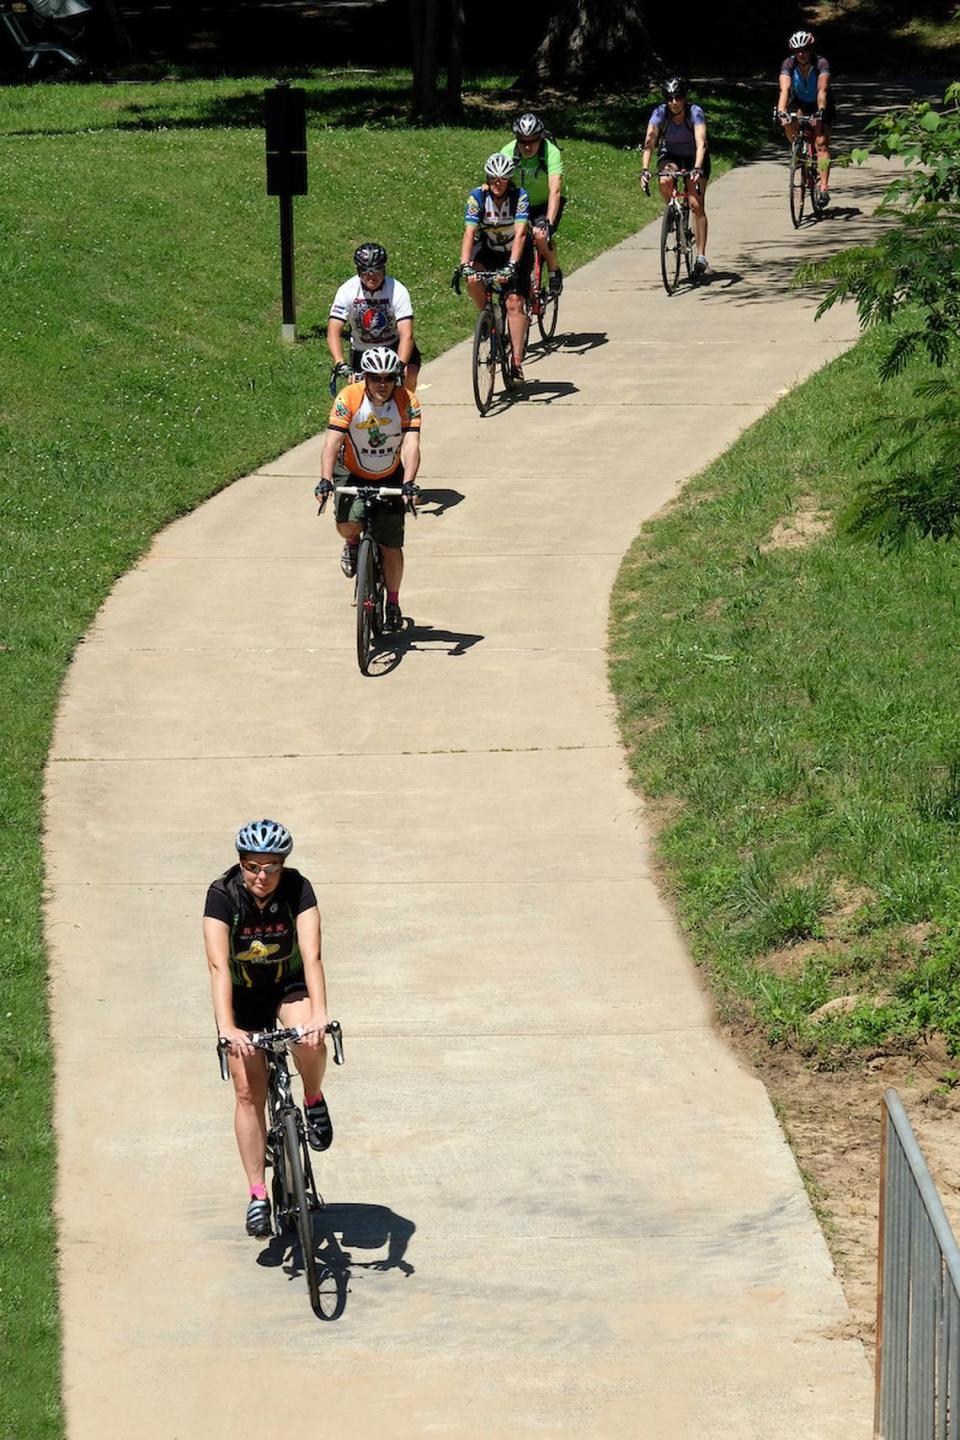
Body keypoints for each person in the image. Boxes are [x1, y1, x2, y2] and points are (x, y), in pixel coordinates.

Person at [204, 819, 332, 1239]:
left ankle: (312, 1098)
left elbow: (312, 954)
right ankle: (258, 1194)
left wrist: (320, 1015)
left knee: (308, 1040)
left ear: (283, 866)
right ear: (240, 865)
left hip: (287, 985)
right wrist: (227, 1027)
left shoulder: (299, 890)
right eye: (253, 867)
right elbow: (219, 965)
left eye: (272, 867)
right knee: (247, 1091)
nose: (262, 877)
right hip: (243, 998)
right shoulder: (222, 896)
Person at [315, 345, 421, 633]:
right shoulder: (348, 397)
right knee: (347, 522)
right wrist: (325, 479)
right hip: (352, 470)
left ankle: (394, 603)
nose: (383, 384)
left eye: (389, 378)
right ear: (366, 377)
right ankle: (352, 545)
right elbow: (332, 443)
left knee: (391, 546)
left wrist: (409, 482)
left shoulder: (406, 400)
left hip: (389, 473)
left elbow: (411, 445)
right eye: (376, 378)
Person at [457, 152, 532, 381]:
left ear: (509, 179)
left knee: (514, 303)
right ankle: (489, 316)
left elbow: (520, 234)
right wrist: (464, 264)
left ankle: (517, 362)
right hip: (489, 249)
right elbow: (469, 232)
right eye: (492, 178)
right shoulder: (477, 197)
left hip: (515, 251)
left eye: (501, 179)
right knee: (473, 277)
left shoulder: (520, 196)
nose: (496, 183)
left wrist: (511, 266)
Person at [327, 242, 421, 393]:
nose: (372, 276)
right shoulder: (347, 291)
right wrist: (340, 363)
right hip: (362, 350)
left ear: (384, 269)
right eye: (366, 271)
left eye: (377, 270)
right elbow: (333, 332)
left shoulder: (397, 290)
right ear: (358, 271)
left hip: (393, 346)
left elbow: (407, 335)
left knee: (408, 374)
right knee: (356, 393)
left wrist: (401, 365)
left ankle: (406, 411)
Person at [640, 77, 711, 276]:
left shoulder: (694, 112)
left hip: (695, 157)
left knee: (696, 204)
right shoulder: (660, 114)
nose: (674, 102)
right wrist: (645, 169)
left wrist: (697, 168)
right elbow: (649, 141)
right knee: (664, 179)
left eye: (678, 97)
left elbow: (701, 142)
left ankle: (701, 256)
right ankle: (673, 211)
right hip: (671, 155)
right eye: (669, 98)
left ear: (684, 97)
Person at [500, 112, 565, 295]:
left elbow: (555, 191)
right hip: (520, 202)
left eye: (533, 141)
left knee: (541, 235)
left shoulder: (550, 152)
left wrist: (549, 222)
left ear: (540, 138)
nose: (527, 146)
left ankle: (554, 271)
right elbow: (499, 186)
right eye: (523, 141)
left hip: (546, 201)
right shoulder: (507, 152)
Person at [777, 30, 833, 207]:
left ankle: (823, 188)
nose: (801, 54)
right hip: (800, 103)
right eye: (797, 51)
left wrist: (820, 111)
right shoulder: (788, 64)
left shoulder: (821, 63)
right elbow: (784, 90)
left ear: (811, 49)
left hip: (820, 103)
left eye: (805, 50)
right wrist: (781, 111)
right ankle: (798, 152)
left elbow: (822, 90)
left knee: (821, 143)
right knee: (788, 123)